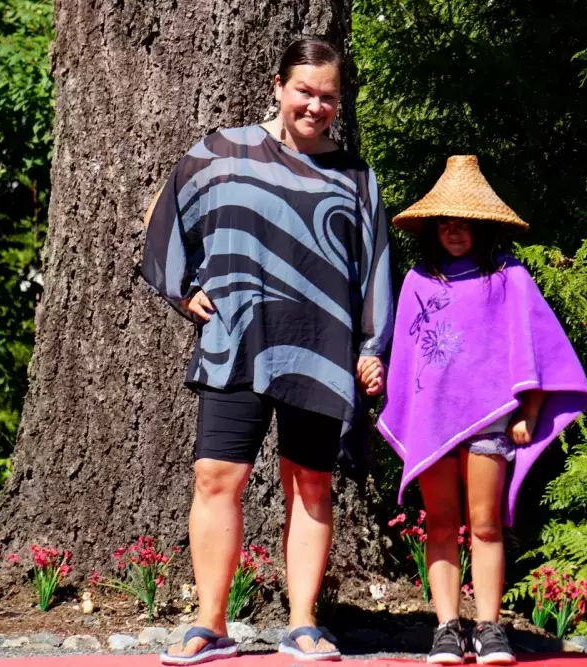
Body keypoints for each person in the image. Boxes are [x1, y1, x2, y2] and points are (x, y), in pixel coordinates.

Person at [141, 38, 393, 665]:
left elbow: (375, 269)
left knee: (311, 484)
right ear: (277, 85)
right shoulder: (219, 152)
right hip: (236, 341)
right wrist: (183, 289)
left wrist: (373, 345)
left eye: (329, 97)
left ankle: (303, 624)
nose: (316, 105)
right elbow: (165, 214)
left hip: (320, 348)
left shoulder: (358, 179)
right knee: (215, 476)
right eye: (305, 91)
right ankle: (209, 625)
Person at [376, 156, 587, 665]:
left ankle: (490, 626)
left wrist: (530, 413)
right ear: (432, 227)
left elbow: (535, 349)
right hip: (433, 424)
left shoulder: (509, 277)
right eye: (444, 222)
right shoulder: (417, 283)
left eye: (463, 222)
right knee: (441, 523)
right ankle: (447, 627)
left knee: (487, 522)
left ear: (482, 224)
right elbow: (409, 362)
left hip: (492, 421)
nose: (454, 231)